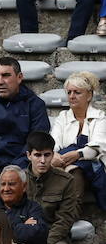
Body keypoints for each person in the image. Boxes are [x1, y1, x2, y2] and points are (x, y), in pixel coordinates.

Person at [0, 57, 50, 171]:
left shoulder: (35, 105)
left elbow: (37, 143)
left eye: (6, 75)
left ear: (19, 77)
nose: (0, 81)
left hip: (24, 168)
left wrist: (13, 169)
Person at [51, 71, 106, 207]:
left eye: (77, 92)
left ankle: (68, 213)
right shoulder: (63, 117)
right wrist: (54, 155)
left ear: (89, 95)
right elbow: (54, 141)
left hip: (92, 168)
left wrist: (77, 154)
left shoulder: (100, 117)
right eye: (69, 92)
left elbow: (98, 147)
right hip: (63, 163)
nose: (72, 96)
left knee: (76, 171)